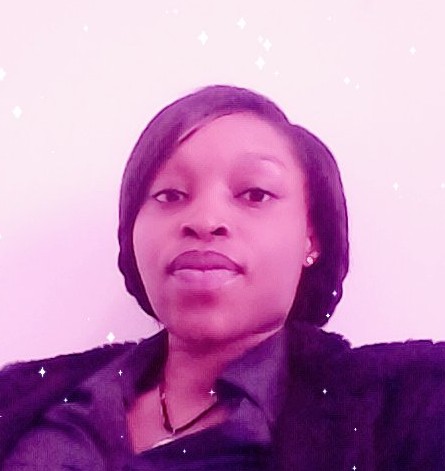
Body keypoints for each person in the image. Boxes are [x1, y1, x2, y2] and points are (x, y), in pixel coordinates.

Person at [0, 84, 444, 470]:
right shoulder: (25, 397)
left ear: (313, 237)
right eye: (170, 195)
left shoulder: (406, 407)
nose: (205, 220)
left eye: (255, 194)